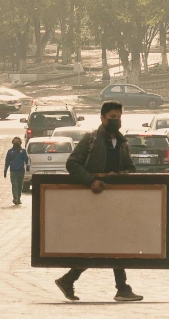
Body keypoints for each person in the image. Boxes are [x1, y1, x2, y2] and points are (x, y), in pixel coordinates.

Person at [55, 100, 143, 303]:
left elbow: (130, 169)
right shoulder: (91, 139)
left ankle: (70, 279)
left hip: (113, 202)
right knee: (108, 242)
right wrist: (92, 181)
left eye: (119, 117)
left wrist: (119, 176)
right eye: (112, 117)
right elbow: (72, 164)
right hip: (92, 200)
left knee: (108, 242)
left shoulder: (122, 142)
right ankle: (120, 287)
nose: (116, 121)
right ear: (102, 118)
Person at [4, 137, 30, 206]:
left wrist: (28, 165)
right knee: (14, 185)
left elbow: (27, 160)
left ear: (20, 143)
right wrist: (5, 170)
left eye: (18, 142)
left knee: (20, 186)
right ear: (13, 142)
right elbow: (7, 162)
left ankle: (18, 198)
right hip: (13, 171)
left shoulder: (23, 151)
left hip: (21, 171)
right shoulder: (10, 152)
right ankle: (15, 198)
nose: (16, 143)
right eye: (15, 142)